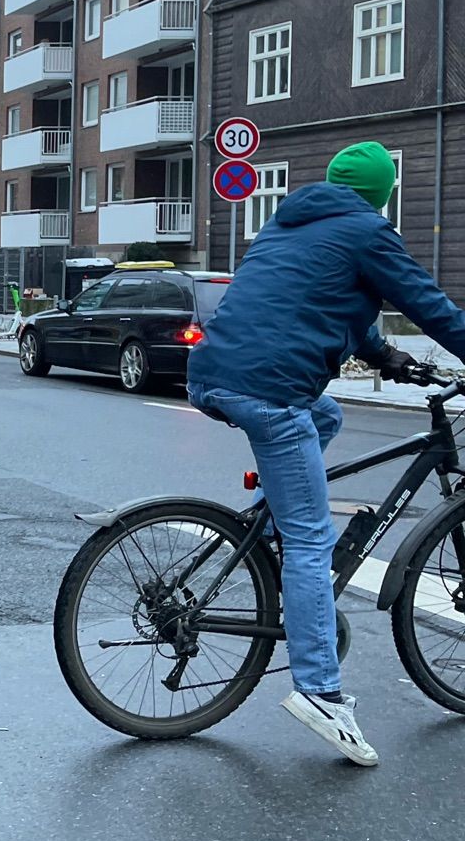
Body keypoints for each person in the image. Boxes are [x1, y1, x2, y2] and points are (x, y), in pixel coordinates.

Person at [189, 141, 465, 767]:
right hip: (270, 389)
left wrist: (385, 356)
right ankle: (319, 692)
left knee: (329, 413)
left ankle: (263, 532)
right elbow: (431, 307)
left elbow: (330, 301)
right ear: (383, 192)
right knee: (313, 542)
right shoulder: (369, 230)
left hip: (213, 372)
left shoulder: (291, 222)